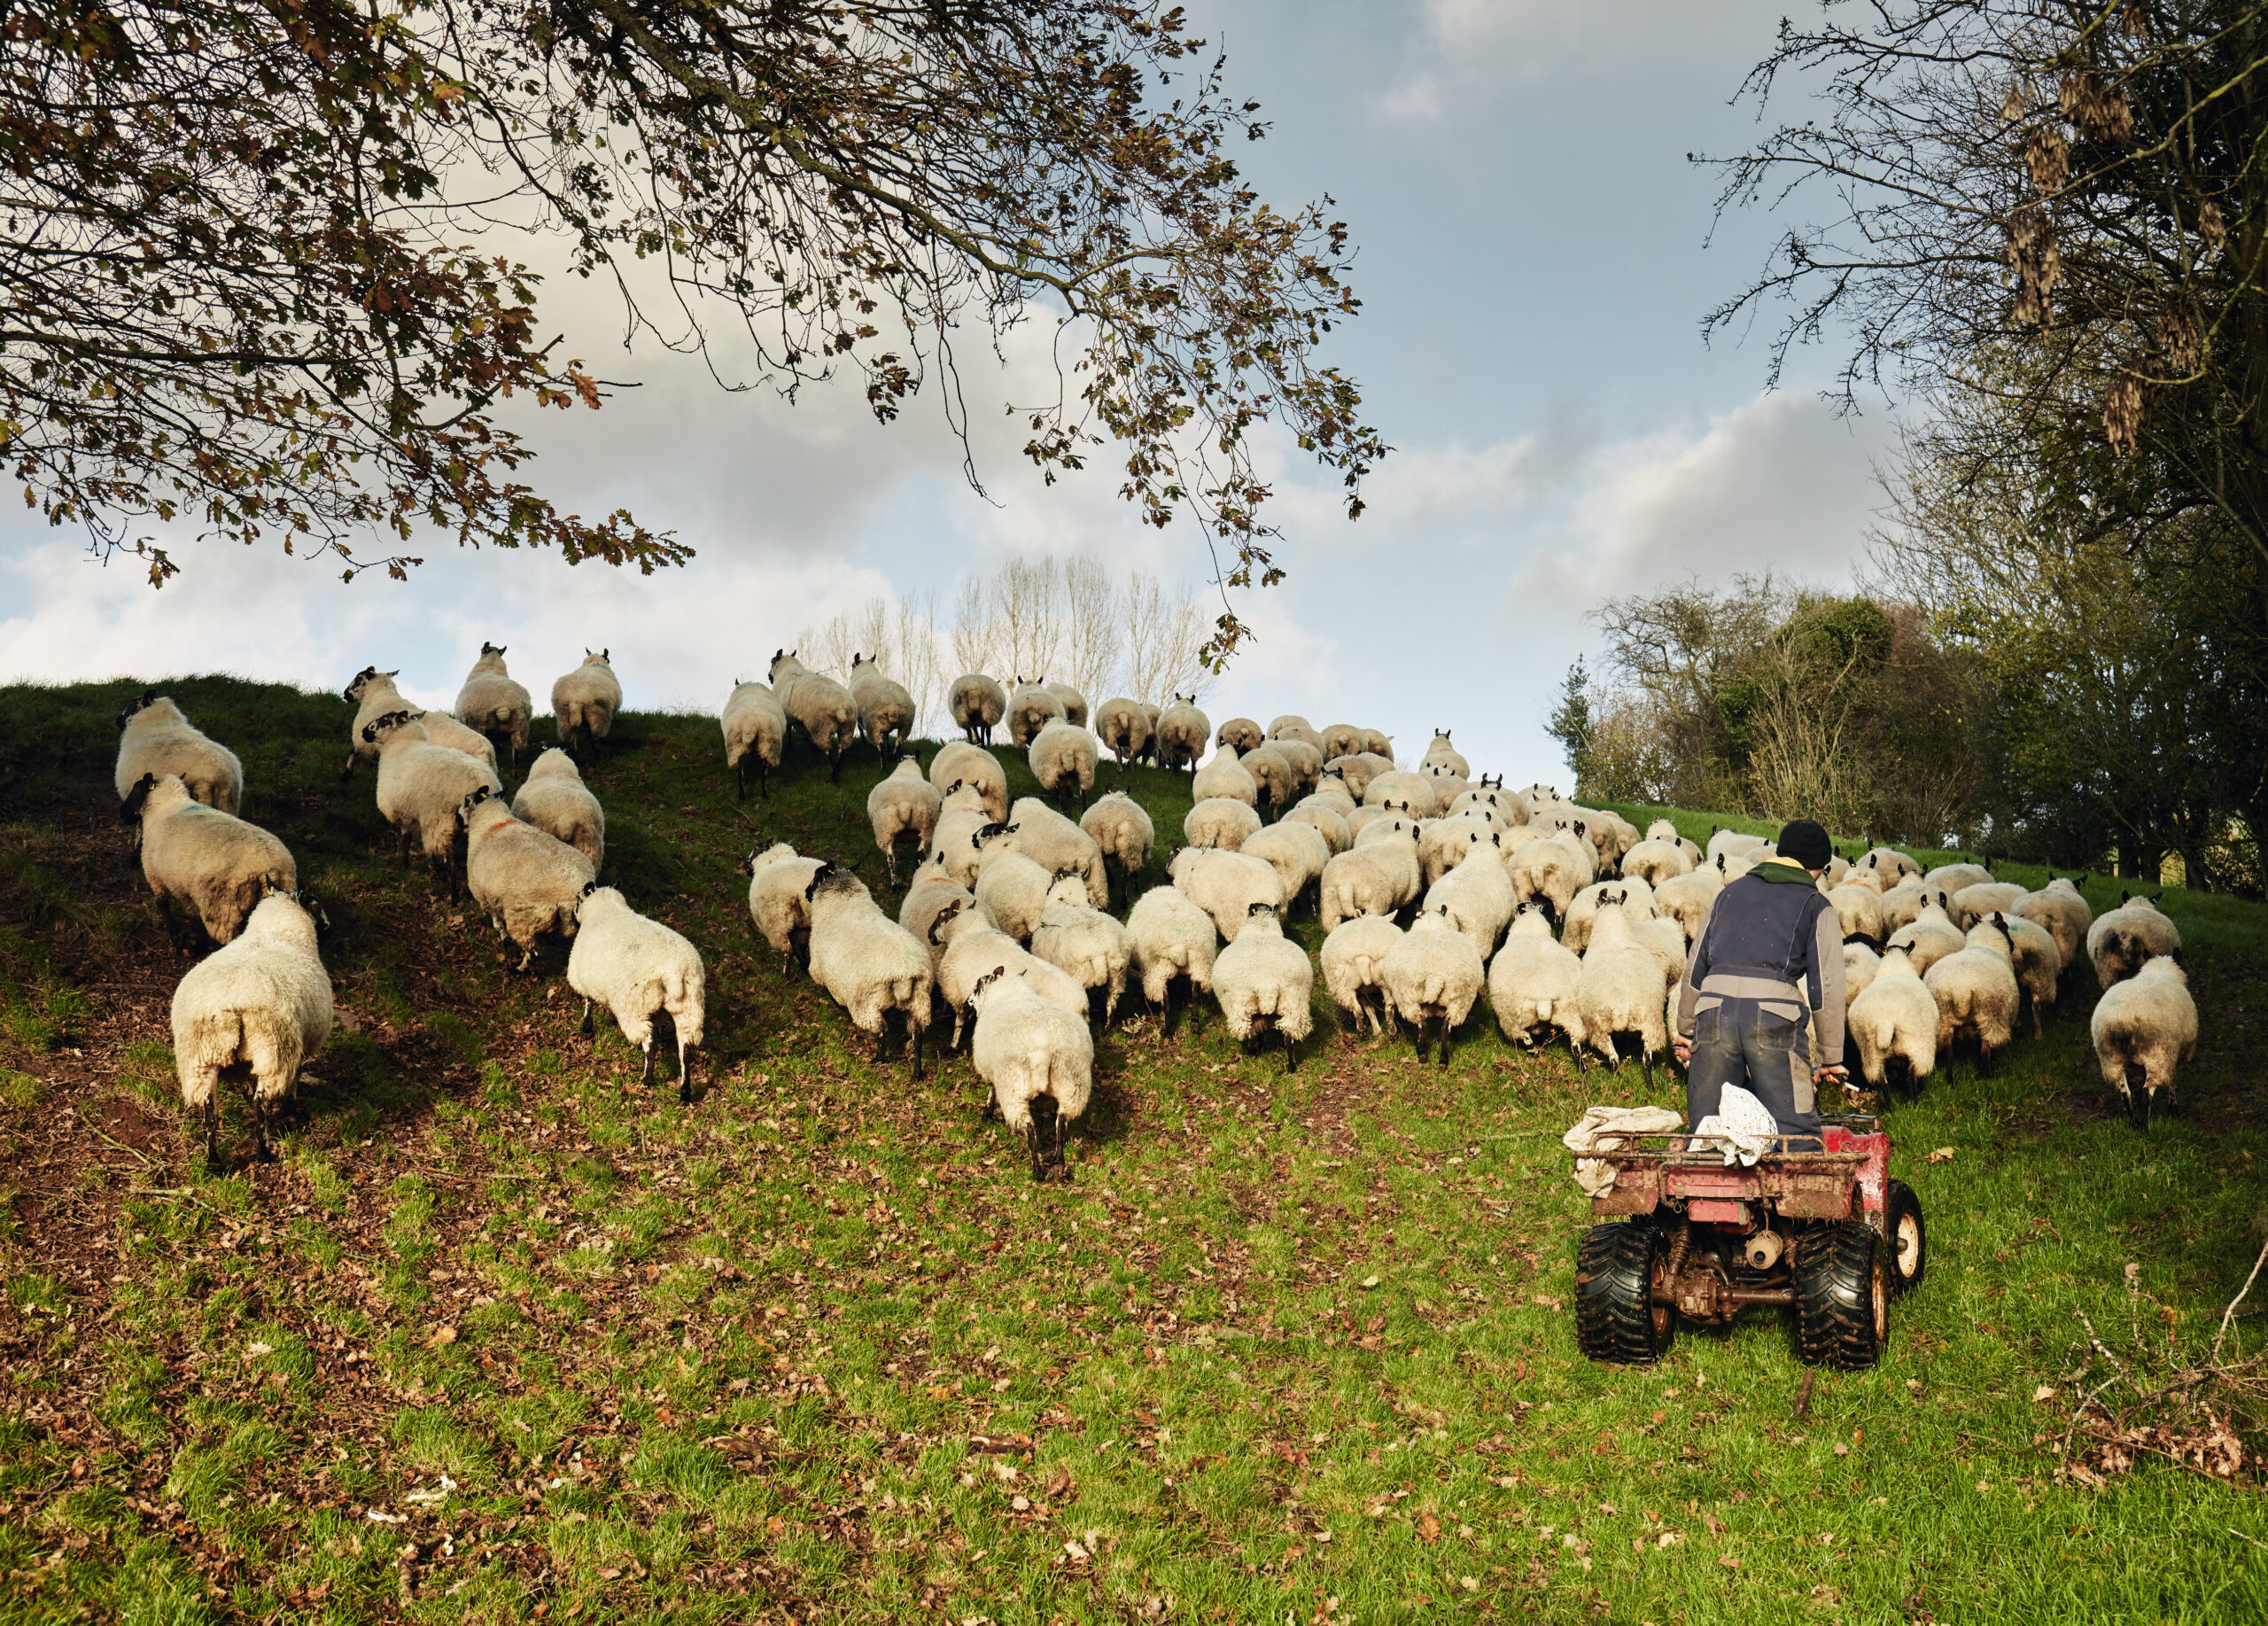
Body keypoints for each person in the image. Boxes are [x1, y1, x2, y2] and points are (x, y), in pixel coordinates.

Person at [1671, 820, 1848, 1143]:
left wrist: (1685, 1030)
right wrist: (1831, 1057)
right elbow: (1826, 986)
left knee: (1708, 1129)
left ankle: (1700, 1191)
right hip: (1774, 1020)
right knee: (1792, 1133)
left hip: (1713, 1015)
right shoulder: (1816, 904)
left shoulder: (1728, 893)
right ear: (1820, 867)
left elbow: (1695, 965)